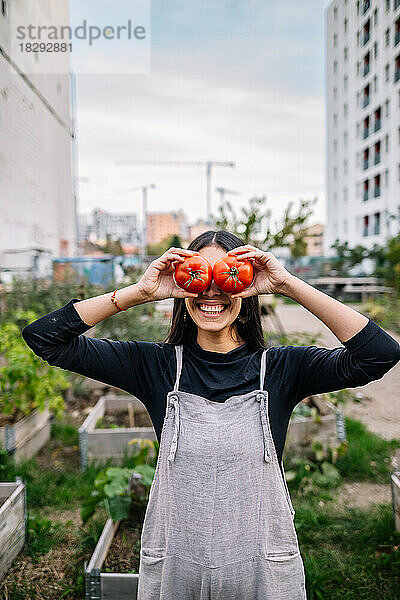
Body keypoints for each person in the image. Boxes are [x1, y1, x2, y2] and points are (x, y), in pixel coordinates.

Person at [22, 229, 400, 600]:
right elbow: (45, 338)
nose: (211, 291)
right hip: (177, 564)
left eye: (225, 276)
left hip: (260, 565)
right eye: (199, 276)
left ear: (247, 288)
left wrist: (288, 285)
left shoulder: (282, 368)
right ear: (182, 288)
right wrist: (141, 292)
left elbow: (379, 354)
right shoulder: (155, 365)